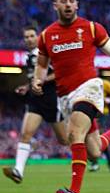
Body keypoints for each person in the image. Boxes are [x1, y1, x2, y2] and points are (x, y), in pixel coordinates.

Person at [34, 0, 110, 193]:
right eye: (64, 1)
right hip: (64, 97)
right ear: (55, 5)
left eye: (71, 1)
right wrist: (37, 80)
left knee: (74, 134)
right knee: (95, 151)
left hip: (89, 87)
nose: (68, 4)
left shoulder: (92, 28)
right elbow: (41, 65)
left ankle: (74, 192)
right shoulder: (47, 35)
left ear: (77, 4)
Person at [3, 25, 68, 184]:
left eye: (32, 36)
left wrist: (42, 80)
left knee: (65, 140)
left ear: (38, 37)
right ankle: (19, 170)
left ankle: (92, 146)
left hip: (51, 99)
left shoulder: (46, 52)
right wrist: (26, 87)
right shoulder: (29, 57)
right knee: (25, 134)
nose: (29, 39)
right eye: (26, 37)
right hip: (35, 100)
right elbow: (35, 77)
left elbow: (59, 73)